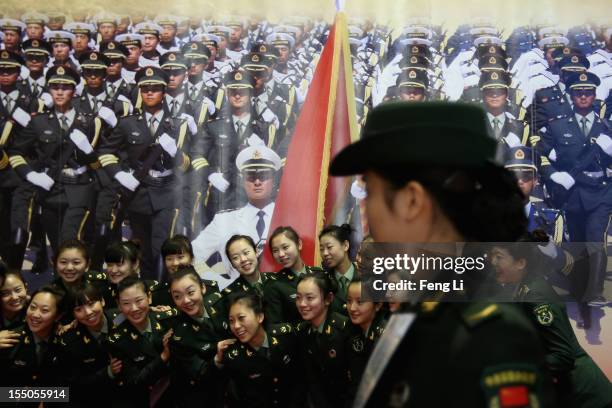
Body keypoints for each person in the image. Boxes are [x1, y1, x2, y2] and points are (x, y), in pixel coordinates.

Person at [329, 101, 557, 407]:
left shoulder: (490, 339)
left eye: (370, 191)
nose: (364, 206)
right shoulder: (422, 311)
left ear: (411, 201)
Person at [490, 232, 612, 408]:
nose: (493, 263)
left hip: (587, 395)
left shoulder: (535, 295)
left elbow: (562, 355)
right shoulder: (523, 289)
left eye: (499, 257)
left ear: (520, 263)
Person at [96, 66, 195, 281]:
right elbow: (105, 152)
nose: (149, 93)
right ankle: (149, 287)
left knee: (162, 246)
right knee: (143, 247)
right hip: (137, 194)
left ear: (163, 92)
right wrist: (120, 175)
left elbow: (187, 164)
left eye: (155, 89)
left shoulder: (179, 124)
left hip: (166, 193)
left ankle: (163, 290)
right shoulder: (128, 122)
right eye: (145, 89)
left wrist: (174, 153)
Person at [8, 65, 101, 254]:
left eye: (65, 87)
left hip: (79, 189)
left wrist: (87, 150)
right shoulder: (39, 122)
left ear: (74, 91)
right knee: (57, 246)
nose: (59, 92)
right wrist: (32, 175)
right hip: (49, 190)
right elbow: (16, 152)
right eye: (54, 87)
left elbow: (99, 164)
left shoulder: (89, 121)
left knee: (69, 241)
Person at [537, 72, 612, 306]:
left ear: (595, 95)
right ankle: (580, 289)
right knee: (577, 240)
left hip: (600, 192)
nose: (583, 96)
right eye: (578, 92)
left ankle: (595, 292)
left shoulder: (606, 127)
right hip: (572, 193)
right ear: (571, 96)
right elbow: (539, 154)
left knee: (594, 238)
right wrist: (553, 175)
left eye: (588, 92)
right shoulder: (558, 126)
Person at [192, 145, 280, 278]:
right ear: (243, 181)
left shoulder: (286, 216)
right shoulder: (224, 220)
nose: (257, 182)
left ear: (273, 180)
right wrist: (221, 284)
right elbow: (192, 255)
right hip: (240, 295)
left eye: (263, 176)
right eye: (251, 176)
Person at [215, 292, 302, 408]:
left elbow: (301, 377)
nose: (236, 326)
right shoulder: (234, 356)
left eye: (241, 318)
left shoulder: (286, 334)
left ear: (260, 316)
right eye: (231, 321)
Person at [104, 276, 176, 407]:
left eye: (139, 300)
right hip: (146, 399)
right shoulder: (116, 340)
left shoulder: (168, 320)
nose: (134, 308)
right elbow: (134, 381)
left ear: (149, 297)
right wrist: (164, 356)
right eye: (126, 303)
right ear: (119, 305)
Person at [168, 265, 225, 407]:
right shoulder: (178, 337)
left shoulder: (222, 303)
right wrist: (217, 359)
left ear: (203, 288)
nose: (186, 300)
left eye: (190, 292)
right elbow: (200, 373)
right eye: (177, 297)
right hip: (212, 395)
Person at [55, 282, 121, 407]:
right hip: (92, 399)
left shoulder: (121, 318)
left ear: (102, 301)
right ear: (73, 315)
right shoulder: (68, 341)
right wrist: (107, 372)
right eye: (79, 309)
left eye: (91, 304)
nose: (88, 312)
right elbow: (73, 384)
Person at [295, 270, 351, 407]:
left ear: (328, 299)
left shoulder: (344, 328)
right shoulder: (302, 332)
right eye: (298, 297)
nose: (302, 304)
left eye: (309, 298)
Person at [0, 286, 65, 390]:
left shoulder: (64, 340)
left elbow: (69, 391)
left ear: (58, 316)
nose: (35, 315)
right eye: (33, 307)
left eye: (44, 310)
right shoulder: (10, 339)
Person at [265, 226, 324, 324]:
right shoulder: (274, 284)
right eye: (275, 251)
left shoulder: (319, 273)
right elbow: (276, 325)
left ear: (299, 244)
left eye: (285, 247)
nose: (281, 254)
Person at [345, 279, 386, 399]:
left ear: (378, 305)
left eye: (360, 302)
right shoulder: (350, 329)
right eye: (349, 301)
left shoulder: (385, 336)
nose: (352, 308)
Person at [51, 239, 113, 317]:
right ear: (55, 264)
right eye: (63, 262)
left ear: (87, 264)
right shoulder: (51, 293)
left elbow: (114, 311)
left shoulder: (99, 282)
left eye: (76, 262)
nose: (69, 268)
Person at [319, 224, 357, 315]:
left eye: (329, 247)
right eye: (321, 249)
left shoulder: (366, 277)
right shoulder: (322, 281)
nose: (325, 253)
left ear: (345, 245)